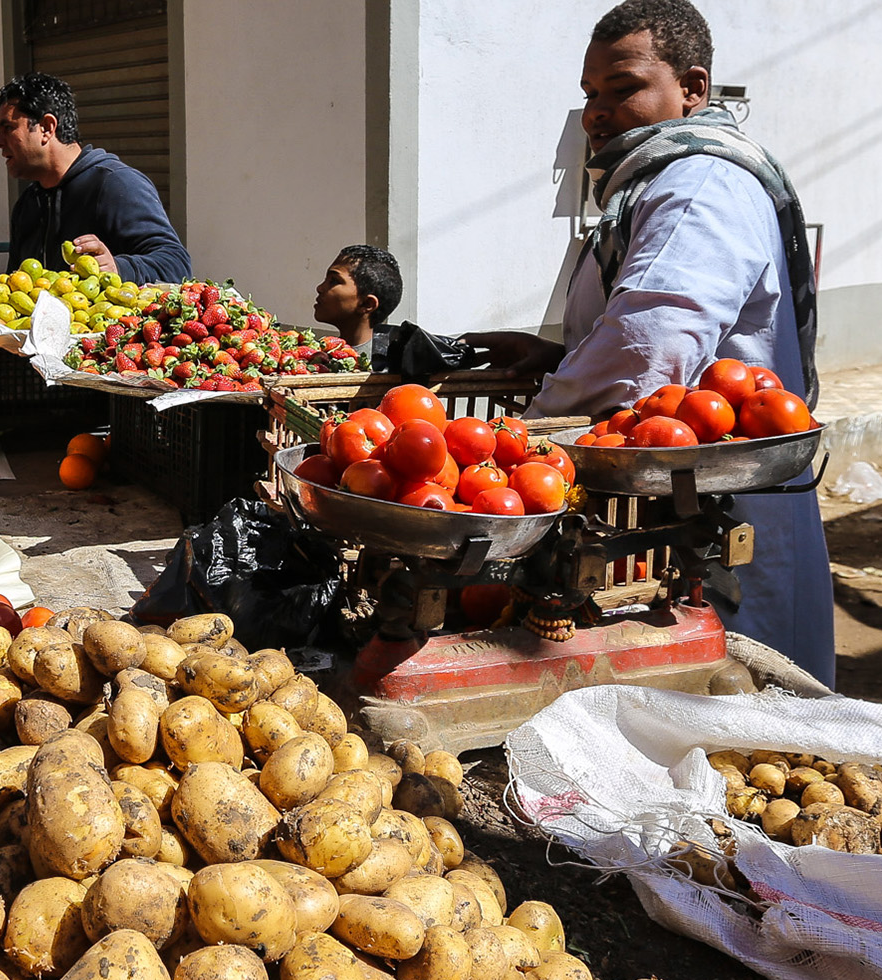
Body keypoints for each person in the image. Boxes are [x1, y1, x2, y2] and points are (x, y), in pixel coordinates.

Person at [465, 0, 833, 685]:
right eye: (590, 95)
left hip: (710, 507)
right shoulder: (659, 180)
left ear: (692, 88)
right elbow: (644, 331)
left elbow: (648, 347)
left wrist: (523, 434)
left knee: (736, 722)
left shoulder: (701, 184)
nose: (598, 111)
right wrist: (559, 357)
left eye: (624, 87)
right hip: (675, 485)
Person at [0, 72, 190, 283]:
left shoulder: (116, 184)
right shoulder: (27, 205)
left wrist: (118, 267)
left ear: (46, 128)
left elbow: (177, 265)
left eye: (8, 128)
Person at [314, 244, 404, 367]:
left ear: (367, 304)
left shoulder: (387, 368)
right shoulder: (318, 355)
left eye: (334, 281)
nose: (320, 288)